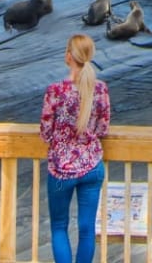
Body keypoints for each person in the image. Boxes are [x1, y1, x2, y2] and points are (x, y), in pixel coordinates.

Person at [40, 32, 111, 263]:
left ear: (69, 56)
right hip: (92, 166)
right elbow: (102, 128)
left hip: (61, 170)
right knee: (87, 229)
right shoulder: (100, 89)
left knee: (60, 226)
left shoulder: (55, 90)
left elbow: (46, 132)